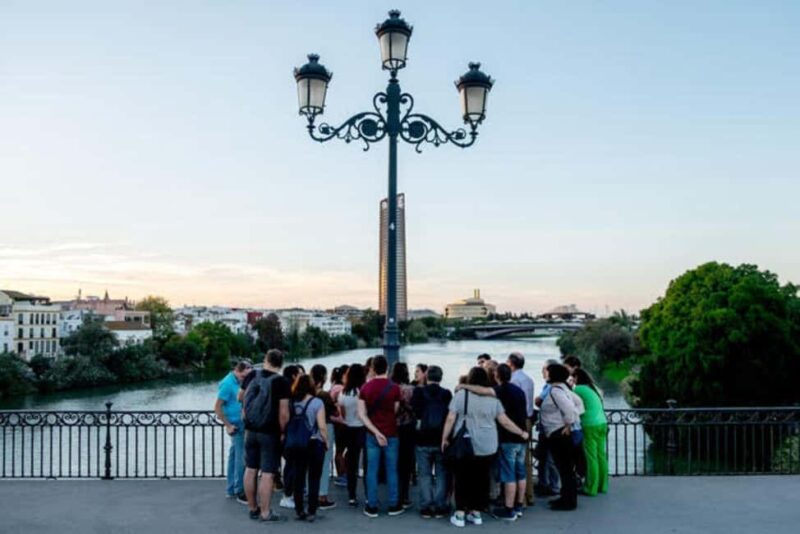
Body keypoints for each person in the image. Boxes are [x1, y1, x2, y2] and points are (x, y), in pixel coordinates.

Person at [442, 367, 529, 528]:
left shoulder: (461, 395)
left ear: (470, 379)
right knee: (481, 478)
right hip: (488, 444)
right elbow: (504, 421)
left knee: (462, 477)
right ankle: (476, 512)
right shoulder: (494, 398)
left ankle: (460, 513)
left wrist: (445, 438)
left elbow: (450, 418)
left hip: (466, 443)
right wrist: (522, 432)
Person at [241, 349, 291, 522]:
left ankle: (252, 508)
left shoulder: (252, 375)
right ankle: (265, 512)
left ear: (265, 360)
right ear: (281, 363)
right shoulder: (282, 382)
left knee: (250, 469)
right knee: (268, 473)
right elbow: (284, 413)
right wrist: (283, 431)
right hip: (270, 432)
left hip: (250, 430)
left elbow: (241, 397)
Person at [358, 355, 404, 517]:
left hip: (372, 434)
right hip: (391, 433)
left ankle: (372, 506)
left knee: (372, 470)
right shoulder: (395, 388)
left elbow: (362, 415)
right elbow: (395, 410)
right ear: (387, 368)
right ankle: (393, 504)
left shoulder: (365, 388)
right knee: (392, 470)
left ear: (372, 369)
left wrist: (376, 432)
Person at [411, 365, 452, 519]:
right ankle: (440, 506)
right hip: (440, 438)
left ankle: (426, 506)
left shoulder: (419, 392)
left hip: (422, 438)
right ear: (441, 377)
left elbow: (415, 410)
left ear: (427, 377)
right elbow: (450, 415)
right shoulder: (446, 394)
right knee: (441, 474)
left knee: (425, 475)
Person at [286, 374, 328, 522]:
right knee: (314, 477)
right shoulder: (317, 402)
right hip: (314, 442)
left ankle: (299, 510)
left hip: (296, 444)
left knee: (298, 477)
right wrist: (326, 441)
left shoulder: (291, 402)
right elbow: (322, 426)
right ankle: (311, 510)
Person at [540, 363, 581, 511]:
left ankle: (568, 501)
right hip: (559, 432)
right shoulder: (563, 388)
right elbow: (579, 404)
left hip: (558, 433)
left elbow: (569, 409)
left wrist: (568, 424)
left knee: (564, 468)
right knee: (566, 469)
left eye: (548, 372)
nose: (546, 374)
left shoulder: (556, 391)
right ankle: (566, 497)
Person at [492, 364, 529, 521]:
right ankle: (519, 505)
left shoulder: (498, 391)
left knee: (509, 474)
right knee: (521, 472)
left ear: (497, 375)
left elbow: (503, 419)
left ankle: (509, 509)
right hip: (522, 437)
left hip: (507, 437)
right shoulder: (519, 391)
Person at [215, 359, 251, 503]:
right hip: (236, 424)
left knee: (235, 456)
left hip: (240, 423)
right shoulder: (227, 383)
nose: (244, 379)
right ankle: (240, 491)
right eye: (243, 376)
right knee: (241, 458)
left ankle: (231, 489)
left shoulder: (237, 381)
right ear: (237, 370)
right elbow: (217, 407)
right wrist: (228, 425)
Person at [573, 368, 608, 496]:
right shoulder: (593, 388)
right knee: (601, 455)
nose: (572, 380)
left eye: (573, 377)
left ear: (577, 377)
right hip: (602, 423)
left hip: (590, 424)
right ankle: (602, 486)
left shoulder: (578, 389)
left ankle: (591, 488)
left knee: (591, 457)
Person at [507, 352, 535, 504]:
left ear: (511, 364)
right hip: (528, 420)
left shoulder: (513, 380)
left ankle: (518, 499)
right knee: (526, 460)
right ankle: (528, 494)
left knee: (515, 461)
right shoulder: (529, 379)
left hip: (517, 422)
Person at [338, 363, 366, 506]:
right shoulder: (363, 391)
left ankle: (352, 495)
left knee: (352, 463)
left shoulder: (343, 393)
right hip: (362, 428)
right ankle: (368, 495)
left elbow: (342, 414)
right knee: (366, 462)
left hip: (348, 428)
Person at [310, 364, 337, 510]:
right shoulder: (324, 396)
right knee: (325, 462)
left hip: (309, 429)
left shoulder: (307, 393)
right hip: (325, 427)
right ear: (323, 377)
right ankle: (322, 495)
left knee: (310, 463)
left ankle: (311, 492)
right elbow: (335, 412)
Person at [534, 360, 561, 498]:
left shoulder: (553, 388)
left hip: (552, 428)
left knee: (551, 459)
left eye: (544, 369)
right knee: (543, 457)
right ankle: (544, 483)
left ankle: (554, 486)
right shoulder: (548, 386)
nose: (542, 372)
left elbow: (539, 401)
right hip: (546, 427)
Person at [278, 365, 303, 510]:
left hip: (282, 432)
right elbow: (285, 414)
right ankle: (287, 495)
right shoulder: (289, 391)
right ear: (294, 376)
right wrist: (283, 431)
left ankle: (289, 492)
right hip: (289, 432)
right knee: (291, 464)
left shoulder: (280, 387)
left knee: (289, 463)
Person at [391, 362, 416, 509]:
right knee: (406, 463)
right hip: (408, 428)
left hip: (392, 428)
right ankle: (404, 495)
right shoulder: (411, 390)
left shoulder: (390, 388)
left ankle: (394, 495)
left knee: (393, 463)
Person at [330, 365, 348, 487]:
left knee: (340, 450)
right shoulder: (339, 388)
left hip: (339, 422)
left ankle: (342, 473)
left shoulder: (334, 387)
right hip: (341, 422)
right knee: (340, 450)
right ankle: (342, 475)